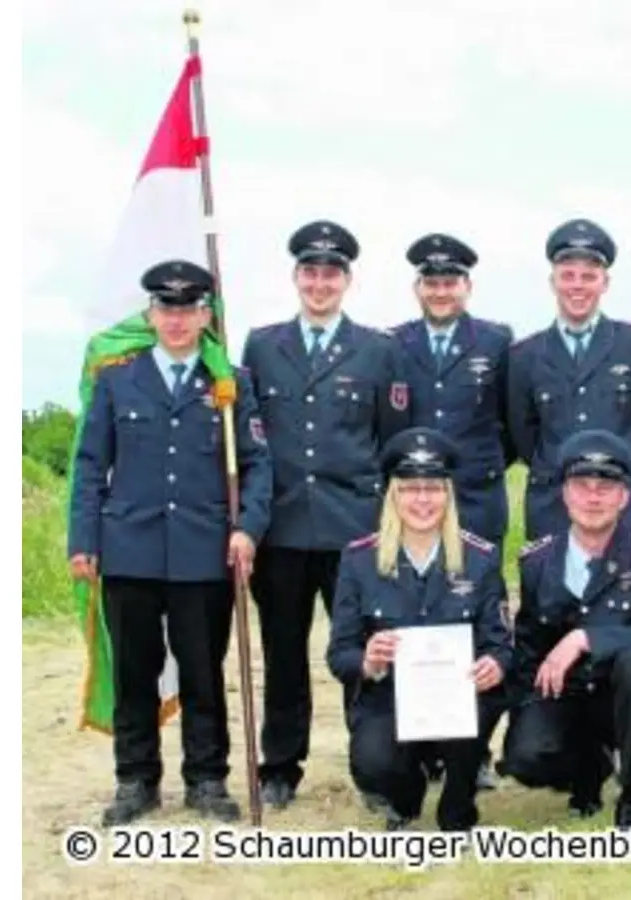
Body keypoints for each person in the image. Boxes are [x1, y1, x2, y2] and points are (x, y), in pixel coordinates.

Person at [67, 259, 273, 826]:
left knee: (203, 672)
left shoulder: (230, 382)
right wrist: (83, 540)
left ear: (207, 314)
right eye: (166, 308)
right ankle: (136, 780)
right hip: (128, 549)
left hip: (204, 552)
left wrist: (246, 528)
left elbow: (258, 466)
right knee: (136, 672)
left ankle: (207, 780)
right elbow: (90, 467)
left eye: (189, 309)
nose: (177, 319)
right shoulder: (117, 380)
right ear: (151, 314)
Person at [239, 220, 413, 810]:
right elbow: (252, 436)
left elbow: (391, 444)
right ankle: (281, 766)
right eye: (310, 272)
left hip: (354, 528)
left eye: (330, 273)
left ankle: (375, 767)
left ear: (347, 280)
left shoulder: (378, 349)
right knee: (284, 651)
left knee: (365, 651)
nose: (320, 283)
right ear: (295, 277)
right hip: (284, 527)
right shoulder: (262, 346)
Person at [324, 427, 513, 832]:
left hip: (459, 699)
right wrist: (370, 661)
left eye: (433, 488)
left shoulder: (480, 559)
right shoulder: (360, 561)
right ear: (393, 495)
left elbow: (501, 644)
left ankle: (458, 802)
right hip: (389, 699)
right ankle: (405, 796)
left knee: (479, 709)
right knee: (374, 766)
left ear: (448, 495)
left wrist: (495, 664)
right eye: (410, 489)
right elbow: (339, 654)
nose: (423, 500)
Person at [497, 430, 631, 829]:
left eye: (605, 487)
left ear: (624, 497)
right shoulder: (537, 562)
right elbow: (528, 648)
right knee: (527, 758)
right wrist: (522, 720)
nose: (593, 498)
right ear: (564, 493)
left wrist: (587, 638)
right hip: (571, 696)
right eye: (582, 486)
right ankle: (588, 770)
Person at [506, 218, 631, 541]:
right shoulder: (525, 355)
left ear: (604, 282)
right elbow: (524, 436)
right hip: (554, 506)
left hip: (628, 503)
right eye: (567, 276)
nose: (577, 286)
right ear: (552, 282)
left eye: (588, 276)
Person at [389, 233, 515, 547]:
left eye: (450, 283)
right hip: (413, 499)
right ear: (417, 288)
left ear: (467, 287)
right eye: (431, 284)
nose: (440, 293)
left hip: (477, 499)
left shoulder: (496, 341)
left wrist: (480, 464)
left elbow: (515, 422)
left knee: (479, 592)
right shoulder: (392, 345)